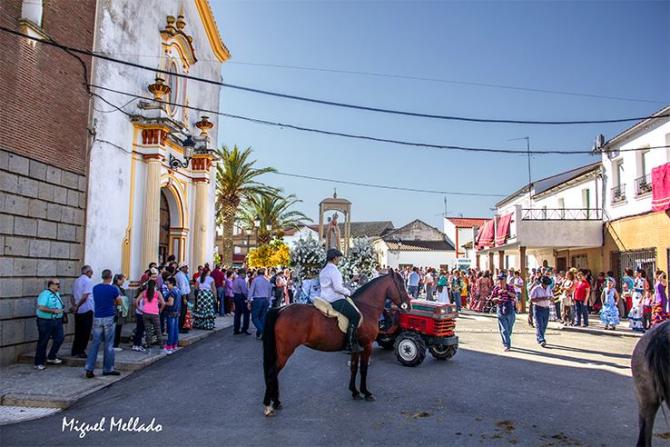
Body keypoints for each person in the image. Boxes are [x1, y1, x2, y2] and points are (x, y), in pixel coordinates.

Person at [320, 248, 360, 353]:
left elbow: (337, 285)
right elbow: (338, 288)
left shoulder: (324, 270)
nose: (339, 260)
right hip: (335, 299)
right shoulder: (334, 270)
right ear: (335, 258)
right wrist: (349, 292)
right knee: (356, 316)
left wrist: (351, 281)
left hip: (324, 298)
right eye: (339, 258)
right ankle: (349, 344)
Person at [85, 269, 122, 378]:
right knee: (109, 344)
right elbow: (119, 301)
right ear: (110, 277)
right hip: (109, 316)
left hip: (98, 316)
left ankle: (89, 368)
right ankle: (108, 368)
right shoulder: (113, 289)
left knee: (95, 343)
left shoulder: (96, 288)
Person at [34, 278, 66, 370]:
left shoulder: (57, 293)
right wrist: (54, 311)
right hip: (45, 321)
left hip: (57, 320)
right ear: (51, 284)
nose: (59, 285)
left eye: (59, 283)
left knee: (59, 338)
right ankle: (39, 362)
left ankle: (51, 356)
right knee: (43, 341)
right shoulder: (45, 294)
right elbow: (41, 307)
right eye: (57, 284)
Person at [71, 265, 94, 358]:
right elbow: (85, 296)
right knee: (85, 331)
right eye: (91, 272)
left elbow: (72, 295)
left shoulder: (76, 281)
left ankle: (75, 350)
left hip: (78, 310)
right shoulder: (88, 281)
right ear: (88, 272)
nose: (92, 274)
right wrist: (77, 306)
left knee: (78, 331)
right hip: (86, 308)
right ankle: (81, 350)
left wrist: (74, 306)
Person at [491, 274, 517, 352]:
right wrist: (497, 298)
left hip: (510, 308)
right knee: (504, 329)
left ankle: (506, 339)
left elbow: (514, 295)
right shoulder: (496, 288)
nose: (501, 281)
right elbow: (492, 298)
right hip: (500, 308)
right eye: (499, 280)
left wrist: (507, 292)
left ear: (505, 280)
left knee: (509, 328)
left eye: (502, 279)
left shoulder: (510, 287)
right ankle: (507, 344)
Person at [138, 279, 165, 348]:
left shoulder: (144, 292)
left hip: (145, 313)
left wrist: (139, 309)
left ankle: (148, 344)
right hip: (155, 313)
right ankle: (161, 345)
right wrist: (160, 310)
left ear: (147, 285)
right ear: (155, 285)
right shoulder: (157, 293)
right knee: (158, 329)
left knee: (148, 330)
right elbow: (163, 303)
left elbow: (136, 301)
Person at [249, 268, 273, 339]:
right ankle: (259, 333)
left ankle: (263, 332)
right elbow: (270, 293)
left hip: (258, 299)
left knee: (254, 318)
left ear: (257, 273)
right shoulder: (267, 281)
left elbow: (251, 291)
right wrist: (269, 302)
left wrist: (249, 300)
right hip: (265, 300)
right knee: (262, 317)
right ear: (264, 273)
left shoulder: (255, 280)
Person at [530, 275, 553, 347]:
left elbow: (552, 297)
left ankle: (539, 337)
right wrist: (542, 298)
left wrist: (550, 298)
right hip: (538, 308)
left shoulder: (549, 288)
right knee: (539, 324)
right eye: (545, 284)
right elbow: (532, 299)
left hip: (546, 308)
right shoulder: (536, 289)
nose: (546, 285)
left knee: (544, 325)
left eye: (547, 284)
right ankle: (541, 339)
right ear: (542, 283)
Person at [163, 277, 182, 354]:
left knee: (171, 330)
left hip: (171, 312)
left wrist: (163, 302)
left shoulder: (172, 292)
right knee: (175, 329)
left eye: (167, 284)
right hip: (176, 312)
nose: (167, 286)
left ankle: (169, 346)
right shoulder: (178, 290)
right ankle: (174, 344)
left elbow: (170, 303)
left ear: (171, 283)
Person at [112, 274, 129, 352]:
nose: (123, 282)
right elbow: (118, 299)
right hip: (116, 311)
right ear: (118, 280)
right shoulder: (115, 288)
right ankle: (114, 344)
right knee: (116, 328)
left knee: (118, 328)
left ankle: (115, 344)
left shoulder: (118, 288)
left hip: (118, 311)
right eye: (122, 280)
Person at [233, 268, 251, 335]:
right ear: (242, 274)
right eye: (245, 274)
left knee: (237, 314)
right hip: (242, 297)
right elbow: (245, 292)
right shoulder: (242, 281)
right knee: (246, 313)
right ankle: (245, 328)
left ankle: (236, 329)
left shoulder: (235, 280)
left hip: (236, 296)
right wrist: (248, 298)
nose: (246, 275)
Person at [175, 265, 191, 333]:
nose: (187, 268)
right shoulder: (180, 276)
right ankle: (180, 327)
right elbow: (182, 288)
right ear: (182, 268)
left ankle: (182, 326)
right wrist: (184, 298)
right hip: (183, 296)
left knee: (184, 311)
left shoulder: (183, 275)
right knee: (182, 312)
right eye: (185, 267)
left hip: (184, 295)